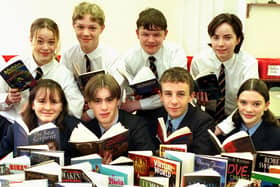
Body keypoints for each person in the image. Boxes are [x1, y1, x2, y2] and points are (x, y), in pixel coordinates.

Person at [0, 18, 84, 122]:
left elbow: (76, 108)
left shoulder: (63, 74)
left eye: (51, 42)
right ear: (31, 40)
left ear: (57, 43)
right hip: (13, 124)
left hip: (49, 127)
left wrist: (53, 105)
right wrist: (7, 99)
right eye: (40, 41)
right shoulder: (14, 67)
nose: (45, 47)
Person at [190, 13, 259, 133]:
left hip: (239, 118)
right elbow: (190, 98)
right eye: (215, 38)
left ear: (238, 39)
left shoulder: (249, 63)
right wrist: (198, 101)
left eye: (227, 38)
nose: (220, 44)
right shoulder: (199, 61)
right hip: (206, 117)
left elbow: (250, 101)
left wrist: (222, 128)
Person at [118, 8, 187, 121]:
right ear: (137, 34)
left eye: (156, 35)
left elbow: (174, 93)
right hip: (144, 111)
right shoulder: (128, 57)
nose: (151, 40)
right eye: (145, 34)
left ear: (165, 34)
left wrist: (137, 104)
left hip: (176, 107)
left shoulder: (176, 53)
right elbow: (126, 92)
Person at [60, 2, 120, 122]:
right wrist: (78, 111)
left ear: (102, 28)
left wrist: (90, 113)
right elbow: (63, 89)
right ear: (73, 26)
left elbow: (115, 94)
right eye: (80, 27)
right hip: (76, 112)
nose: (86, 33)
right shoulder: (68, 55)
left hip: (105, 111)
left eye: (92, 28)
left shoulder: (112, 57)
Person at [0, 79, 80, 165]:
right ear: (33, 104)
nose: (48, 107)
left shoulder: (74, 128)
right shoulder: (16, 129)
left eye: (54, 102)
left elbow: (82, 161)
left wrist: (56, 156)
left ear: (62, 106)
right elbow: (2, 157)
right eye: (42, 101)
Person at [83, 73, 156, 163]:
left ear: (118, 101)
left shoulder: (137, 126)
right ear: (89, 104)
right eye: (97, 101)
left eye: (109, 100)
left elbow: (147, 164)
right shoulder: (85, 132)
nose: (104, 107)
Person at [151, 67, 217, 155]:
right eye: (168, 94)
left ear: (191, 96)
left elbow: (200, 160)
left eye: (181, 94)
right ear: (161, 96)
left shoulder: (204, 122)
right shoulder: (152, 116)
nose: (174, 101)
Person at [222, 78, 280, 150]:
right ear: (237, 102)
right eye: (243, 102)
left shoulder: (277, 137)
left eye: (256, 104)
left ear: (266, 106)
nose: (249, 109)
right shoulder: (226, 132)